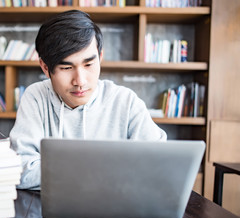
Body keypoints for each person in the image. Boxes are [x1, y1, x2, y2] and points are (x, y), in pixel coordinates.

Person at [9, 10, 167, 190]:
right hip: (51, 211)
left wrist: (62, 171)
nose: (80, 81)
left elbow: (158, 164)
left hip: (116, 209)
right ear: (45, 68)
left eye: (89, 64)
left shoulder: (126, 101)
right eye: (67, 67)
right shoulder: (36, 98)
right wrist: (103, 171)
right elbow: (21, 170)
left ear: (100, 57)